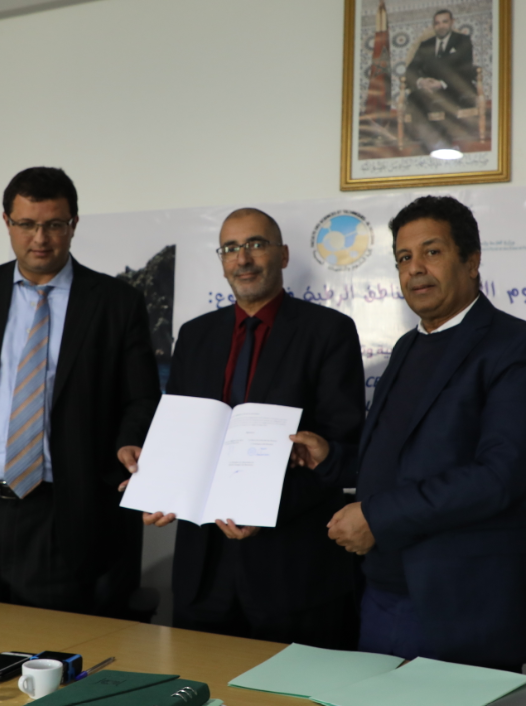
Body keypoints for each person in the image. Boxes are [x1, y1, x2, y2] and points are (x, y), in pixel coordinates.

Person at [291, 195, 526, 670]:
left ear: (471, 260)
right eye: (403, 257)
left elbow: (498, 478)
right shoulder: (407, 347)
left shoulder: (520, 349)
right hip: (380, 592)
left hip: (461, 607)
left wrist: (376, 516)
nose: (415, 268)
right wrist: (331, 457)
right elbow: (403, 459)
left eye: (431, 252)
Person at [0, 167, 160, 613]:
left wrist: (130, 440)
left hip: (65, 519)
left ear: (73, 224)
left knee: (55, 651)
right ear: (7, 222)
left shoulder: (116, 302)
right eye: (26, 224)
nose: (40, 238)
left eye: (54, 224)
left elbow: (141, 399)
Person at [128, 207, 365, 647]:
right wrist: (158, 486)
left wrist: (264, 510)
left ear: (284, 254)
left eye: (256, 244)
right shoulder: (195, 335)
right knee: (199, 686)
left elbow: (343, 448)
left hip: (292, 572)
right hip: (203, 573)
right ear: (221, 260)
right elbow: (180, 434)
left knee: (292, 691)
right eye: (231, 248)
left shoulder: (328, 331)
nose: (243, 258)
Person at [404, 9, 478, 151]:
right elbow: (410, 70)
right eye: (437, 23)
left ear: (452, 22)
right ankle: (428, 144)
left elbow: (465, 69)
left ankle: (447, 144)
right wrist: (421, 81)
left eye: (445, 22)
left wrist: (442, 83)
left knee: (443, 100)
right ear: (434, 26)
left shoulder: (462, 40)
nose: (441, 26)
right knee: (414, 98)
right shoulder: (425, 44)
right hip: (428, 89)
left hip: (453, 88)